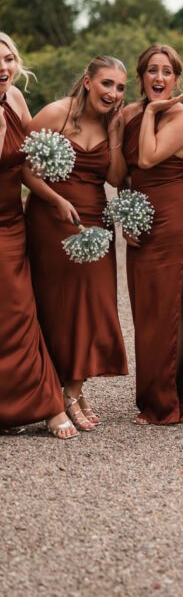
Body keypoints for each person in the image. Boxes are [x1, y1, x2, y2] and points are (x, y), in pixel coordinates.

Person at [24, 55, 128, 432]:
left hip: (96, 221)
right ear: (88, 81)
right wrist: (56, 200)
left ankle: (73, 389)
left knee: (94, 305)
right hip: (52, 220)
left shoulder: (110, 123)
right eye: (106, 84)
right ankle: (66, 392)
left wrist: (115, 136)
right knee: (58, 307)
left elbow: (116, 177)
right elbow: (25, 171)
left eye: (119, 87)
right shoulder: (55, 114)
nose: (113, 93)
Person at [0, 32, 76, 440]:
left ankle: (23, 406)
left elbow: (30, 158)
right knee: (14, 313)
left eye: (9, 59)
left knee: (22, 311)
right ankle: (47, 406)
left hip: (15, 221)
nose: (4, 67)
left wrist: (57, 180)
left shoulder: (14, 100)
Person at [122, 44, 183, 425]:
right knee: (146, 309)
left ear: (176, 78)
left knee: (171, 308)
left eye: (167, 72)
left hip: (174, 217)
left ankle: (168, 402)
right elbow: (119, 172)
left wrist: (152, 112)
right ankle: (148, 396)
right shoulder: (126, 114)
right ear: (141, 77)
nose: (159, 78)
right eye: (152, 70)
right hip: (140, 215)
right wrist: (127, 216)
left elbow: (150, 157)